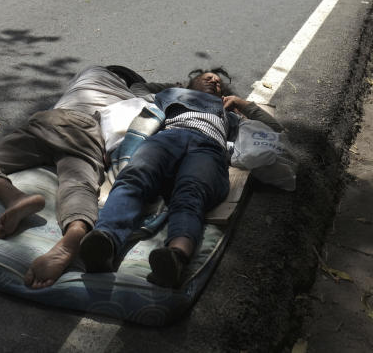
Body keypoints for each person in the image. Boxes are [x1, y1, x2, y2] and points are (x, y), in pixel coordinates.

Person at [0, 65, 176, 289]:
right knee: (77, 186)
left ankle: (14, 197)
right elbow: (161, 93)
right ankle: (75, 233)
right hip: (87, 132)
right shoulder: (134, 97)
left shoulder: (91, 73)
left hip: (49, 121)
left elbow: (141, 86)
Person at [79, 69, 283, 289]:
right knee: (135, 177)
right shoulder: (173, 95)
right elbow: (137, 89)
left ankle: (175, 257)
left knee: (191, 192)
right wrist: (176, 85)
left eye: (218, 82)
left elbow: (273, 129)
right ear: (190, 82)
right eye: (208, 76)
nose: (215, 80)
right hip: (169, 138)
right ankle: (105, 241)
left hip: (209, 148)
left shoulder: (230, 116)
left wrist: (242, 104)